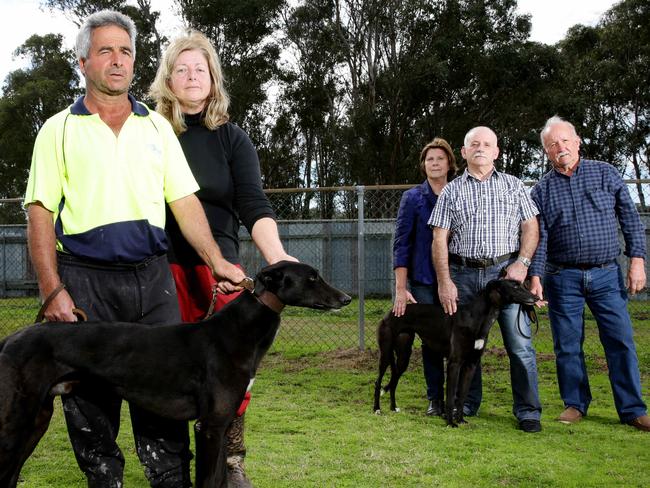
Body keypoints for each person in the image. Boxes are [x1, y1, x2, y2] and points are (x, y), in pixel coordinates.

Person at [24, 10, 246, 487]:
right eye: (106, 51)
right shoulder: (57, 130)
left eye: (126, 51)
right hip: (86, 284)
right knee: (92, 415)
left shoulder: (156, 129)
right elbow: (40, 213)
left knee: (165, 413)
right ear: (83, 61)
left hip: (152, 283)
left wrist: (217, 261)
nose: (118, 61)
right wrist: (51, 291)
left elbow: (184, 202)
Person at [149, 30, 296, 487]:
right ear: (168, 78)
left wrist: (280, 260)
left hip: (222, 274)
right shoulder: (149, 132)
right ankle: (170, 468)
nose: (192, 77)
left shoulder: (232, 139)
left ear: (213, 80)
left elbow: (254, 205)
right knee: (166, 373)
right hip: (161, 269)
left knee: (232, 374)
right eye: (183, 69)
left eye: (201, 69)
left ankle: (230, 463)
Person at [529, 116, 650, 432]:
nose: (561, 147)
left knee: (620, 341)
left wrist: (637, 260)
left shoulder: (606, 173)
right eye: (553, 144)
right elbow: (539, 238)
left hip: (607, 274)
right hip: (562, 277)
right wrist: (537, 277)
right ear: (547, 151)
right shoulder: (541, 190)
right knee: (567, 346)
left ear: (577, 141)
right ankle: (575, 403)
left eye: (565, 140)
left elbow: (631, 221)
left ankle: (632, 409)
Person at [428, 126, 543, 433]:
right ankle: (466, 402)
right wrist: (444, 280)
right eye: (473, 144)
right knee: (464, 346)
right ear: (464, 153)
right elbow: (439, 239)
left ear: (496, 152)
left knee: (519, 345)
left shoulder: (514, 185)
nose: (480, 148)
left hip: (504, 276)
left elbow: (530, 228)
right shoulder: (451, 190)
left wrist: (522, 264)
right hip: (463, 276)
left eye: (487, 144)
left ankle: (528, 410)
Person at [392, 137, 457, 416]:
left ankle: (465, 399)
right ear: (423, 165)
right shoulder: (413, 198)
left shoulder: (460, 192)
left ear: (449, 164)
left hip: (459, 277)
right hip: (424, 281)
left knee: (462, 339)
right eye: (429, 159)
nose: (434, 163)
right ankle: (435, 399)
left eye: (440, 158)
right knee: (432, 341)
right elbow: (402, 243)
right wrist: (400, 287)